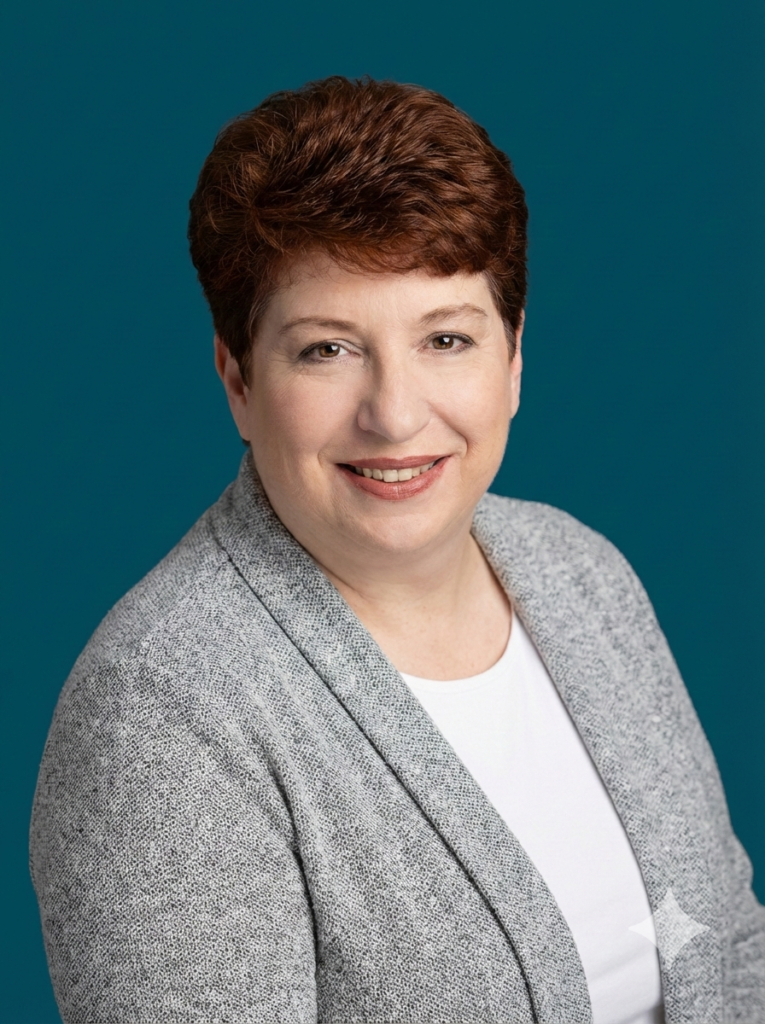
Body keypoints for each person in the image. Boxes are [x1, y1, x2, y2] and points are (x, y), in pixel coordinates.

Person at [30, 76, 764, 1024]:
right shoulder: (163, 714)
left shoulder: (581, 573)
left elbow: (731, 948)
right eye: (327, 350)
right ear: (238, 382)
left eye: (446, 339)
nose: (396, 414)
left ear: (513, 361)